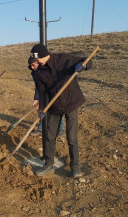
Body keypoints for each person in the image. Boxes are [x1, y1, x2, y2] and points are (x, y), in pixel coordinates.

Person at [30, 44, 92, 178]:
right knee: (49, 136)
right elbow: (42, 92)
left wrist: (83, 66)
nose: (36, 62)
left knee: (72, 137)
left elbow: (86, 60)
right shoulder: (40, 72)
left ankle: (75, 167)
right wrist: (42, 109)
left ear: (42, 55)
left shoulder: (62, 59)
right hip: (54, 107)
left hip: (71, 102)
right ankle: (48, 164)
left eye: (37, 59)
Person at [28, 57, 65, 136]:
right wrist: (37, 99)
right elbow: (38, 86)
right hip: (43, 91)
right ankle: (41, 129)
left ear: (38, 62)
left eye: (33, 65)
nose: (31, 67)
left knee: (56, 108)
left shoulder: (47, 68)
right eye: (30, 66)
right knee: (41, 110)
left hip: (55, 90)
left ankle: (60, 128)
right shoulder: (33, 72)